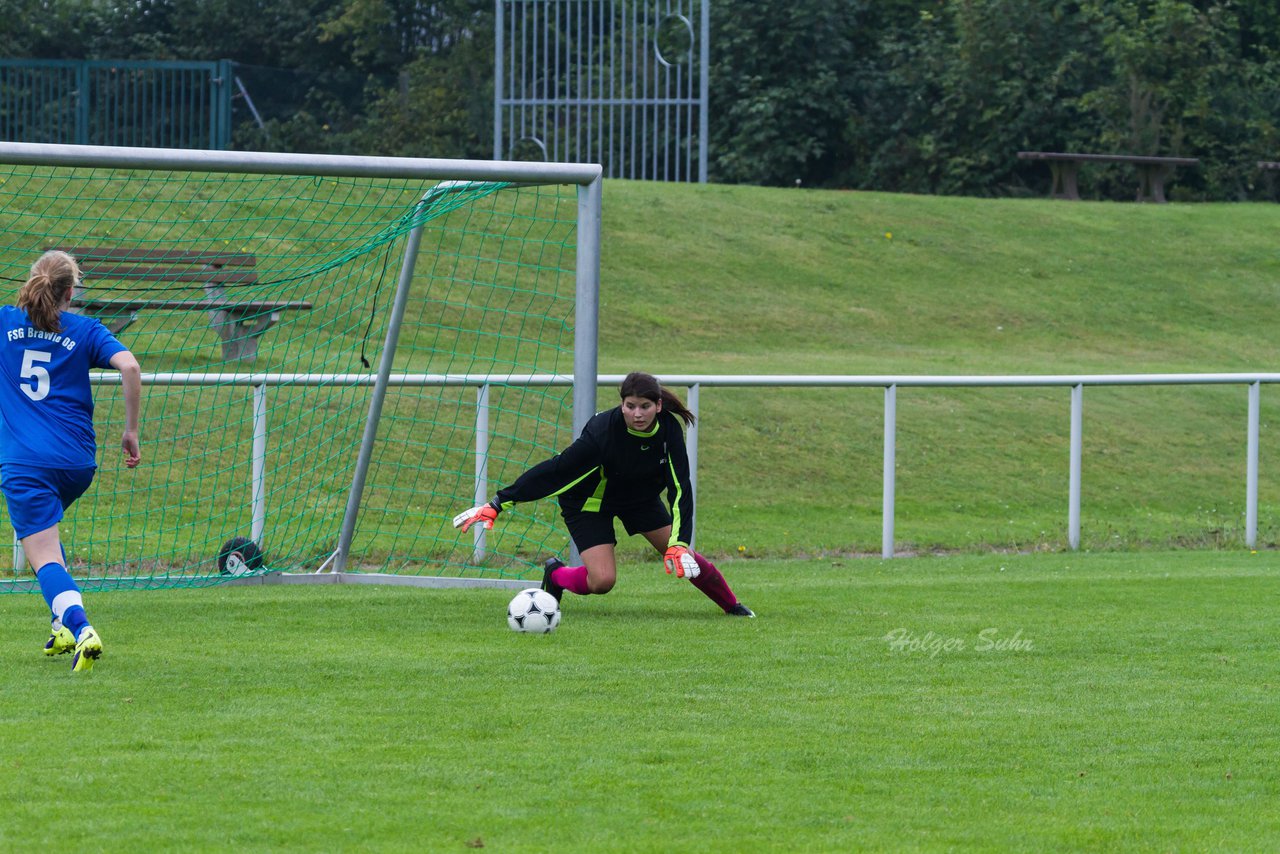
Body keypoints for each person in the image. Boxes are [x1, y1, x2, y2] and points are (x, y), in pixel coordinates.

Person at [453, 371, 754, 617]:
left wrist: (679, 542)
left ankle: (732, 606)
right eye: (630, 406)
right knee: (603, 581)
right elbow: (555, 471)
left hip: (639, 498)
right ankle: (556, 574)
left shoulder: (668, 429)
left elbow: (680, 487)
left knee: (683, 557)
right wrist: (498, 503)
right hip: (590, 501)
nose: (637, 414)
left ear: (659, 406)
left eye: (645, 406)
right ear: (621, 404)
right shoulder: (602, 434)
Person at [0, 250, 142, 673]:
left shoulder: (6, 321)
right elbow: (130, 366)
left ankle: (81, 629)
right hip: (77, 462)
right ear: (69, 291)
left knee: (42, 556)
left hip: (25, 462)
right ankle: (59, 625)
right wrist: (130, 430)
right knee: (46, 532)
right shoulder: (85, 329)